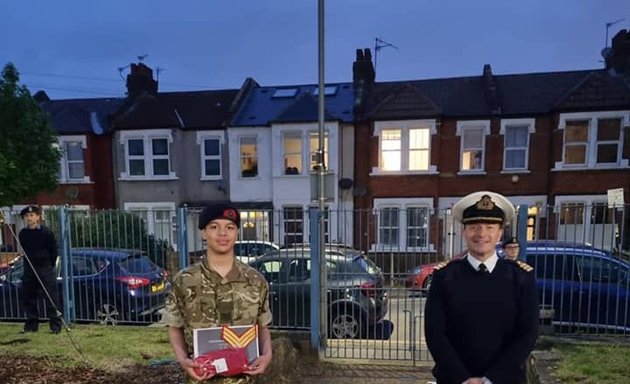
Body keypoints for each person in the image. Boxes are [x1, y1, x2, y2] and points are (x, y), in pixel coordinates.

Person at [425, 192, 539, 384]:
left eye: (489, 227)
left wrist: (491, 378)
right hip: (454, 379)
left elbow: (527, 333)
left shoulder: (520, 277)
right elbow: (435, 333)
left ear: (500, 233)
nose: (481, 234)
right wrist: (463, 378)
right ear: (464, 231)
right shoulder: (444, 277)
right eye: (474, 226)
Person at [162, 203, 273, 383]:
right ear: (203, 233)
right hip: (201, 378)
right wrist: (183, 360)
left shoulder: (256, 281)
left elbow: (262, 327)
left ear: (237, 232)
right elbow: (174, 327)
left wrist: (267, 355)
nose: (223, 233)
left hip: (246, 379)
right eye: (214, 227)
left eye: (230, 227)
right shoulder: (185, 280)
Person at [18, 205, 62, 334]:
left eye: (32, 215)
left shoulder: (46, 232)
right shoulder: (23, 234)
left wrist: (48, 265)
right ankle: (31, 325)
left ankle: (55, 326)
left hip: (45, 268)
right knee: (29, 297)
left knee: (51, 298)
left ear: (37, 217)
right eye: (27, 216)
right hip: (29, 269)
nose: (29, 218)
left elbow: (53, 251)